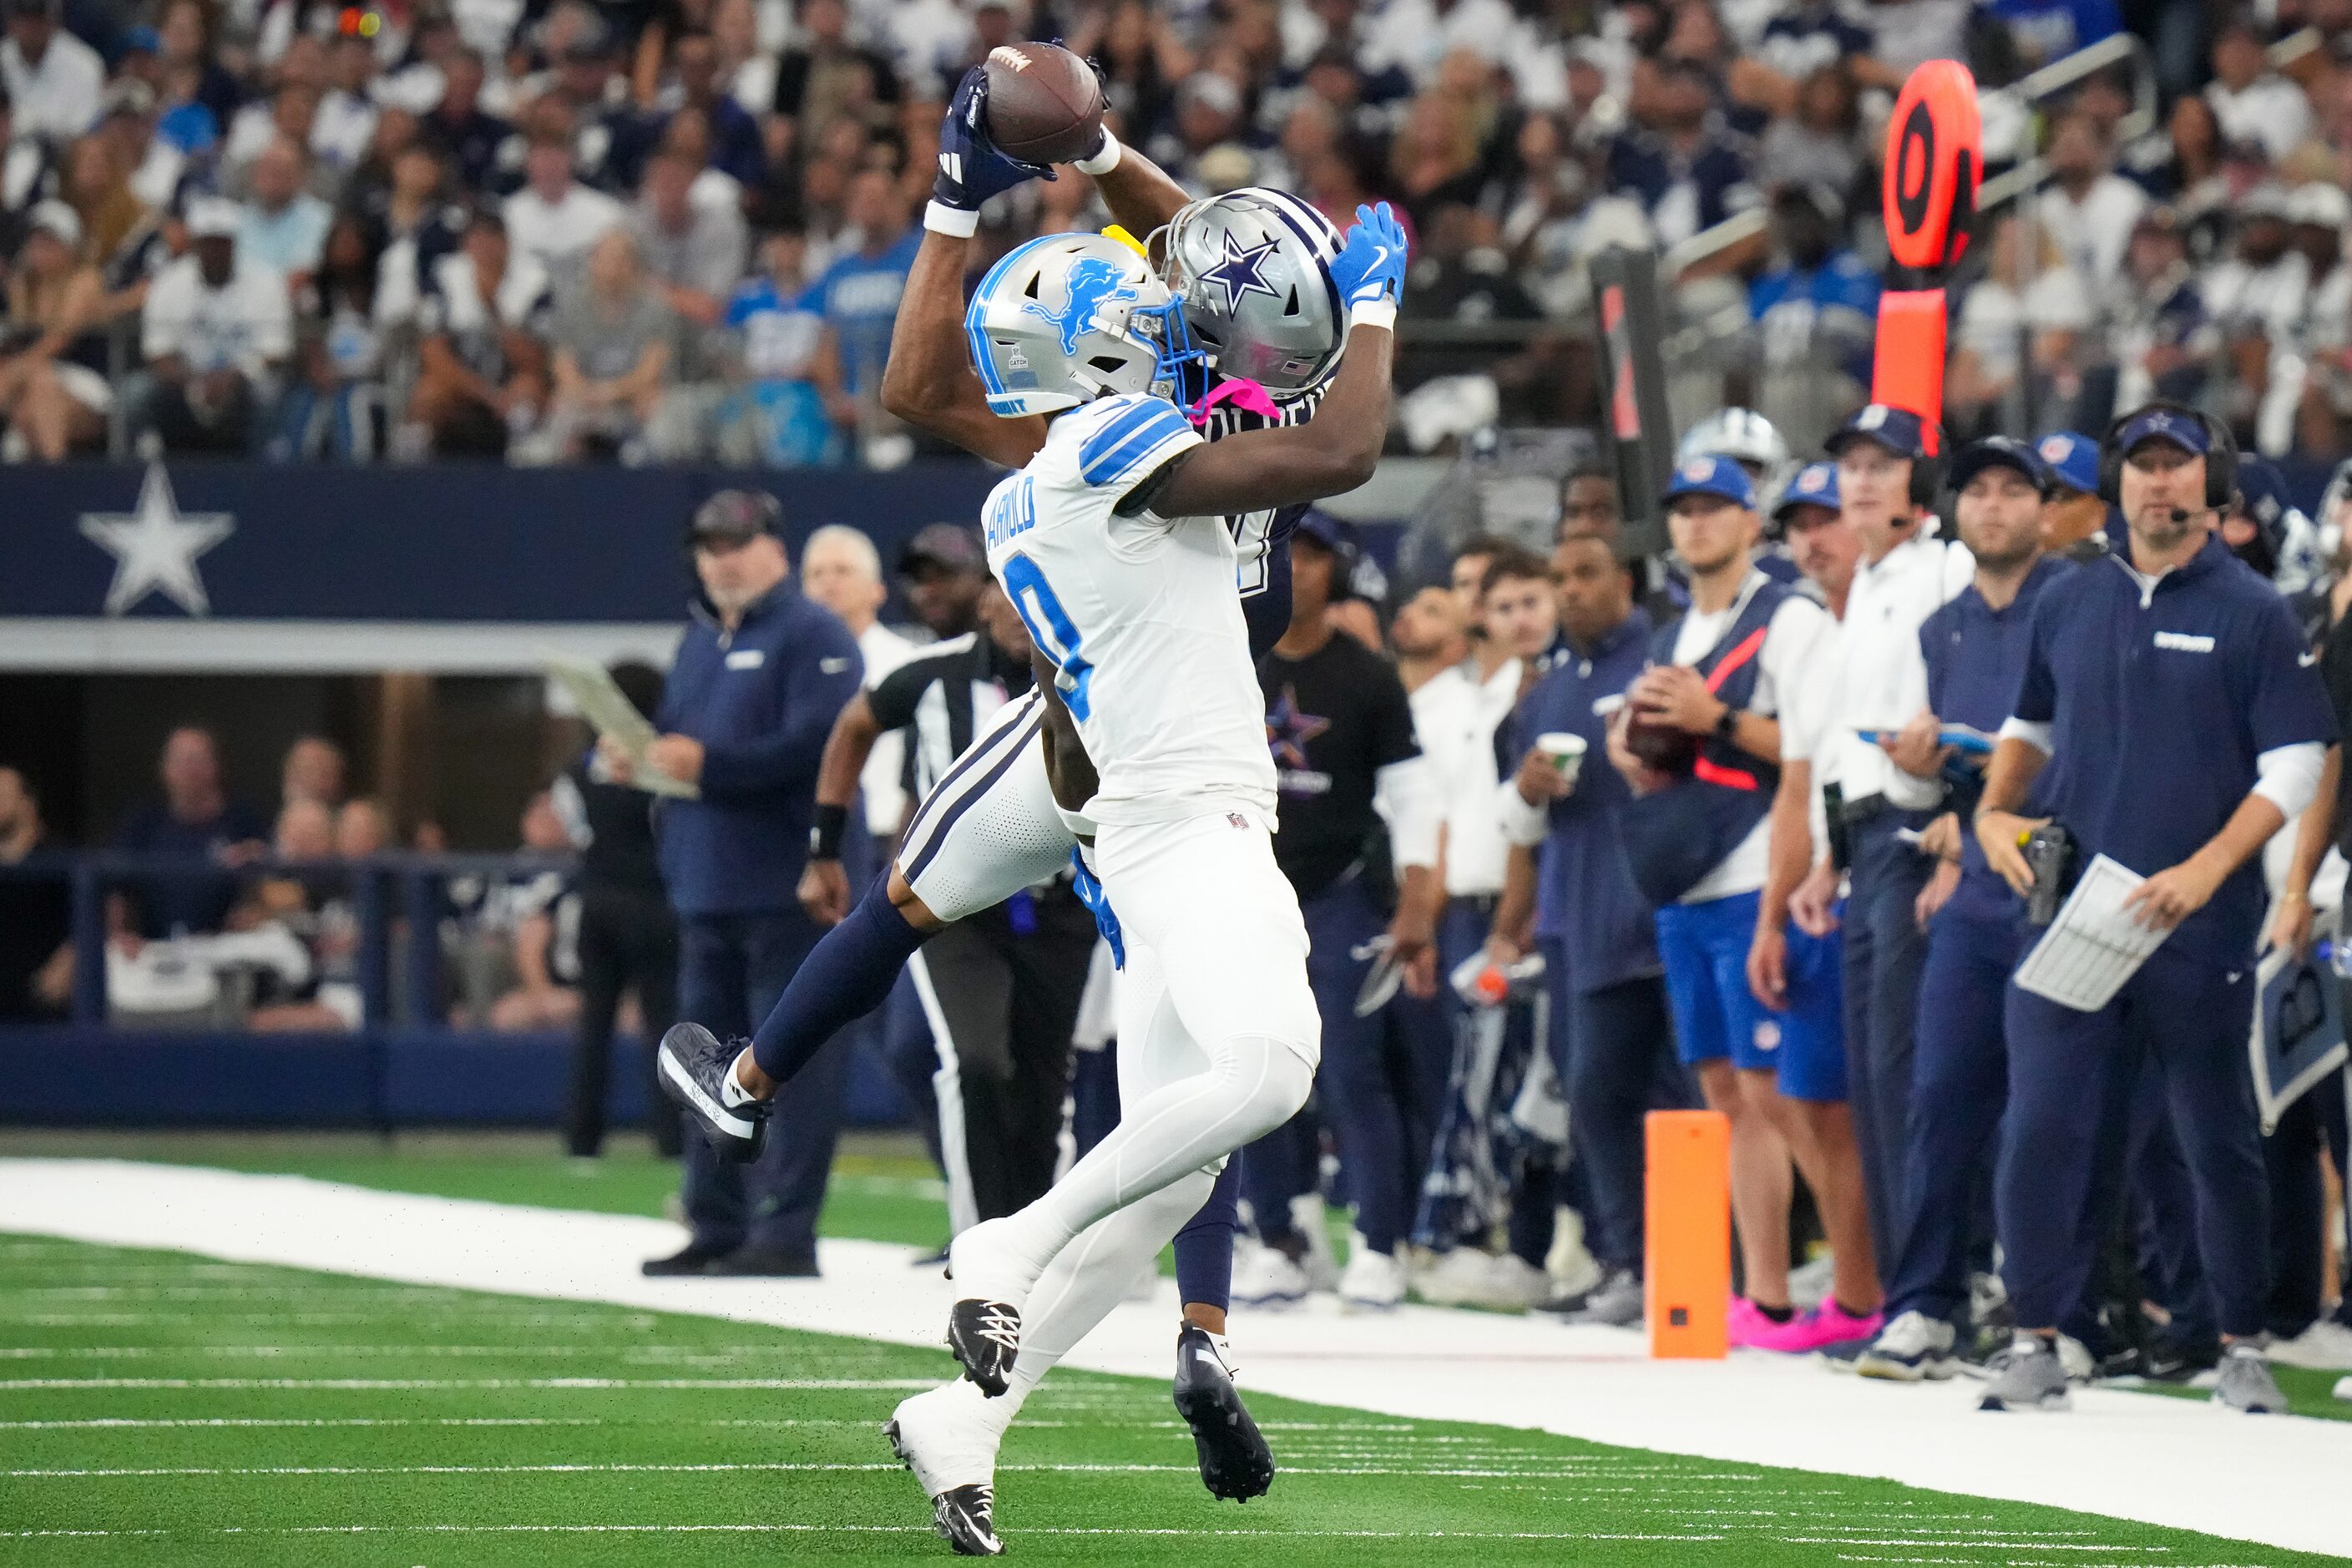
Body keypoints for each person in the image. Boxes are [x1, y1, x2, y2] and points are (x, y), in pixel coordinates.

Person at [660, 139, 1360, 1521]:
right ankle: (850, 1143)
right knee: (1201, 1046)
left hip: (1130, 736)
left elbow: (1228, 271)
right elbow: (1260, 305)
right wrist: (1043, 170)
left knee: (1170, 1151)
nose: (1169, 307)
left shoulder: (1084, 438)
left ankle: (966, 1415)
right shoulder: (1128, 431)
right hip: (1133, 762)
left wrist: (1079, 160)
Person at [1973, 404, 2334, 1414]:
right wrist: (1998, 811)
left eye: (2177, 467)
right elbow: (2028, 719)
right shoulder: (2068, 598)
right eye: (2141, 466)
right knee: (2042, 1125)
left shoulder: (2252, 608)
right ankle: (2035, 1337)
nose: (2157, 484)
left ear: (2209, 487)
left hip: (2194, 922)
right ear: (2117, 482)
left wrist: (2211, 870)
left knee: (2214, 1136)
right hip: (2071, 912)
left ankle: (2241, 1344)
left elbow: (2298, 760)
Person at [1609, 458, 1877, 1353]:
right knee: (1726, 1089)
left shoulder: (1787, 617)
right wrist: (1638, 747)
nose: (1695, 525)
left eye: (1714, 508)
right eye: (1682, 510)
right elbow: (1676, 743)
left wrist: (1710, 718)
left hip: (1760, 866)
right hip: (1688, 877)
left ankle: (1856, 1284)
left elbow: (1808, 750)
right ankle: (1764, 1295)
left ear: (1749, 520)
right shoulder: (1676, 626)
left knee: (1790, 1096)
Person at [1852, 438, 2071, 1380]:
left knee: (2055, 1113)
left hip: (2060, 877)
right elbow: (1919, 792)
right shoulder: (1941, 627)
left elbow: (2095, 746)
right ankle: (1925, 1305)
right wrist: (1925, 784)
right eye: (1976, 490)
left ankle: (2054, 1312)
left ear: (2045, 509)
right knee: (1938, 1096)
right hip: (1974, 883)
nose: (1992, 506)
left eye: (2013, 490)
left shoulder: (2077, 606)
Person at [617, 489, 862, 1277]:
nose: (721, 557)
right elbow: (690, 744)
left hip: (785, 885)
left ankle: (787, 1231)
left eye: (737, 541)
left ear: (773, 549)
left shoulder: (814, 633)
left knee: (790, 1062)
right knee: (701, 1063)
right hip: (705, 883)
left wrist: (708, 766)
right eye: (708, 543)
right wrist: (648, 759)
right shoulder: (700, 639)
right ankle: (716, 1220)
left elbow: (820, 746)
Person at [806, 580, 1096, 1232]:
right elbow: (855, 724)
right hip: (960, 908)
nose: (1025, 613)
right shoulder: (931, 676)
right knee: (975, 1062)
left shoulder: (1096, 668)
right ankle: (981, 1239)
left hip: (1062, 907)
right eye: (1011, 594)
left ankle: (1029, 1239)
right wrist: (824, 844)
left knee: (1046, 1083)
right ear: (987, 601)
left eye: (1042, 593)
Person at [1238, 513, 1441, 1311]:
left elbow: (1414, 797)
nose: (1301, 568)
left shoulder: (1367, 676)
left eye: (1316, 555)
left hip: (1339, 893)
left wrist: (1418, 900)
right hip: (1250, 895)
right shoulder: (1233, 665)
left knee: (1355, 1073)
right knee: (1254, 1070)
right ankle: (1279, 1238)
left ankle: (1379, 1245)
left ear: (1336, 572)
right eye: (1291, 553)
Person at [1793, 404, 1973, 1291]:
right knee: (1873, 1074)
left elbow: (1969, 704)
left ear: (1922, 481)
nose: (1860, 479)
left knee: (1909, 1072)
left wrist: (1956, 831)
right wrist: (1827, 854)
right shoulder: (1866, 582)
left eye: (1883, 463)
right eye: (1850, 464)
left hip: (1916, 828)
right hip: (1865, 841)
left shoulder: (1948, 568)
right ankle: (1907, 1288)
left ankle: (1935, 1291)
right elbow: (1841, 733)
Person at [1494, 528, 1691, 1326]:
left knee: (1675, 1098)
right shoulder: (1540, 694)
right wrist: (1528, 789)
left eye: (1586, 574)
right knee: (1592, 1098)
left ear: (1625, 579)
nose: (1571, 590)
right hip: (1576, 919)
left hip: (1659, 905)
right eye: (1560, 576)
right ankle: (1628, 1263)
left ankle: (1696, 1270)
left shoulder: (1660, 657)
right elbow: (1514, 823)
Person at [554, 661, 680, 1161]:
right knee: (663, 1025)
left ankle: (581, 1138)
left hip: (598, 903)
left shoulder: (578, 770)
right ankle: (672, 1140)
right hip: (655, 907)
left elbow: (575, 830)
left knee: (594, 1026)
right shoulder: (662, 768)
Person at [134, 195, 291, 456]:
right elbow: (158, 352)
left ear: (234, 243)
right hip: (184, 380)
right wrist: (195, 383)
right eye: (209, 243)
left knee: (269, 393)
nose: (216, 251)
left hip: (246, 379)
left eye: (222, 243)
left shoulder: (267, 282)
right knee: (137, 393)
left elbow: (275, 351)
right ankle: (151, 467)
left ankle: (264, 472)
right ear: (196, 244)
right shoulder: (168, 283)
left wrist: (234, 377)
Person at [111, 726, 269, 943]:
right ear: (164, 768)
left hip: (229, 950)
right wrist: (119, 935)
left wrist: (257, 908)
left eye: (197, 761)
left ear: (215, 766)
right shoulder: (143, 822)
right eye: (180, 761)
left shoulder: (243, 820)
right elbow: (116, 886)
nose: (189, 770)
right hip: (155, 951)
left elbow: (274, 884)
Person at [0, 766, 70, 1022]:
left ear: (28, 803)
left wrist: (69, 961)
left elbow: (92, 919)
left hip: (44, 1012)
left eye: (4, 793)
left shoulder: (58, 859)